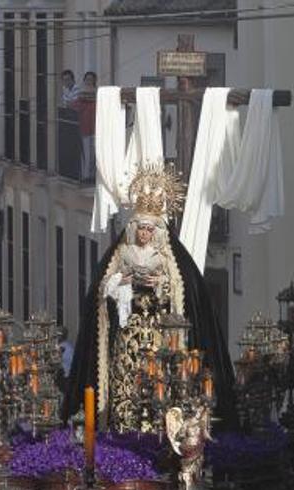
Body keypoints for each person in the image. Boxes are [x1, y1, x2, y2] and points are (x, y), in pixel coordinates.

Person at [64, 163, 237, 432]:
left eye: (149, 229)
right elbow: (103, 289)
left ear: (155, 231)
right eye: (141, 228)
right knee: (127, 379)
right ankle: (124, 427)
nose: (144, 234)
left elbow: (184, 293)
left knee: (160, 382)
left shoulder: (167, 258)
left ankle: (162, 427)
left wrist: (162, 284)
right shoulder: (122, 253)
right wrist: (125, 281)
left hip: (158, 334)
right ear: (135, 228)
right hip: (129, 331)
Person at [71, 71, 97, 181]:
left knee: (94, 153)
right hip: (85, 127)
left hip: (95, 127)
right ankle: (86, 175)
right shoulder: (81, 95)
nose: (89, 81)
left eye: (91, 79)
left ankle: (92, 175)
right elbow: (74, 105)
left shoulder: (98, 93)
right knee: (87, 153)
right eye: (87, 79)